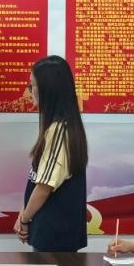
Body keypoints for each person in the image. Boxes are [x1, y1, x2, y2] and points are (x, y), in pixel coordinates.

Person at [13, 55, 89, 252]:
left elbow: (44, 187)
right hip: (53, 236)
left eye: (32, 86)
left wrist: (24, 218)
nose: (29, 91)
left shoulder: (59, 131)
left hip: (54, 238)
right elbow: (39, 179)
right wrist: (24, 212)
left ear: (48, 90)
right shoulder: (61, 127)